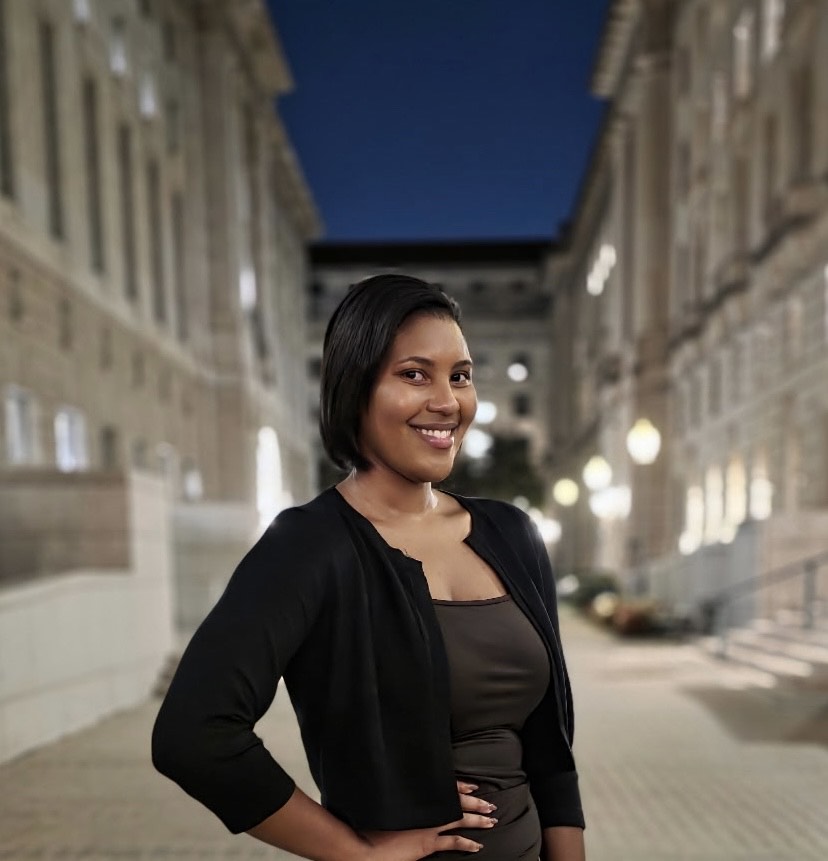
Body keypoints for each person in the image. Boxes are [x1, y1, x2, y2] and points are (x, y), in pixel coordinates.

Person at [152, 274, 586, 860]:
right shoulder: (309, 545)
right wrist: (360, 855)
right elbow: (194, 734)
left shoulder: (512, 533)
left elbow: (550, 750)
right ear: (356, 390)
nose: (447, 402)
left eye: (459, 376)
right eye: (414, 375)